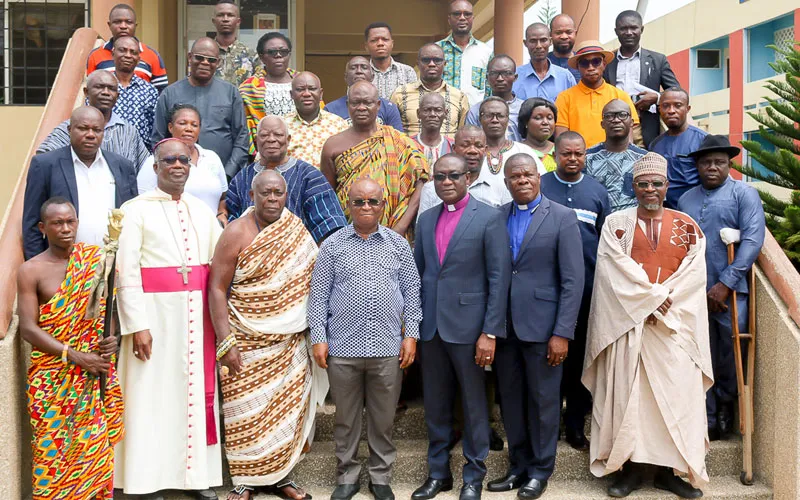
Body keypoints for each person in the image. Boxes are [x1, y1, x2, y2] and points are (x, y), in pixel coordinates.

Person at [584, 152, 711, 499]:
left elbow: (694, 276)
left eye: (657, 183)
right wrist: (649, 300)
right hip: (630, 326)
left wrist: (662, 302)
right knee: (630, 400)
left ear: (667, 186)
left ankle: (669, 473)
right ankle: (631, 471)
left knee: (676, 400)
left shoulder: (688, 226)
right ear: (633, 187)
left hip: (673, 329)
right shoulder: (616, 225)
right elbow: (612, 271)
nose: (650, 189)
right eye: (643, 184)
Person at [115, 138, 223, 499]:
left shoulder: (201, 211)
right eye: (169, 160)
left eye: (183, 160)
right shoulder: (134, 211)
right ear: (155, 167)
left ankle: (194, 478)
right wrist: (138, 325)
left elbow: (219, 265)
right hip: (155, 318)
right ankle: (148, 481)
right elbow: (126, 272)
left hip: (195, 319)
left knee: (191, 397)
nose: (177, 165)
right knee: (151, 397)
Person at [209, 170, 327, 500]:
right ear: (252, 195)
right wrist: (225, 342)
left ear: (286, 195)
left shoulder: (295, 228)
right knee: (245, 414)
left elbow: (310, 280)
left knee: (286, 414)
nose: (272, 199)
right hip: (245, 339)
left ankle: (281, 477)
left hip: (290, 342)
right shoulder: (236, 232)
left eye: (278, 193)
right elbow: (216, 288)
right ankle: (246, 481)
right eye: (266, 193)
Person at [308, 178, 422, 500]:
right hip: (342, 348)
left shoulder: (397, 244)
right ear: (349, 205)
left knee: (383, 418)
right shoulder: (333, 245)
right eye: (359, 201)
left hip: (387, 347)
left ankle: (380, 476)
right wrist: (319, 337)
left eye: (373, 201)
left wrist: (411, 335)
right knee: (345, 418)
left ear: (382, 206)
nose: (366, 207)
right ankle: (347, 476)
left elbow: (412, 293)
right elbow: (319, 296)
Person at [412, 154, 510, 500]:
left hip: (471, 330)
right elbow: (419, 276)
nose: (446, 182)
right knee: (436, 404)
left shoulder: (489, 217)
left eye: (453, 176)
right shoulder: (426, 219)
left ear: (468, 177)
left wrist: (490, 331)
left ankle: (473, 476)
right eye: (440, 177)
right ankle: (438, 474)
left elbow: (499, 278)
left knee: (473, 404)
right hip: (432, 328)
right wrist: (413, 328)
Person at [487, 153, 583, 498]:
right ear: (507, 182)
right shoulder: (497, 218)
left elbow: (573, 281)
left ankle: (541, 471)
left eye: (528, 174)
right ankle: (518, 466)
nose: (522, 180)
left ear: (539, 177)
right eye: (515, 176)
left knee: (544, 402)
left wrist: (562, 333)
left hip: (545, 329)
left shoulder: (562, 217)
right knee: (511, 401)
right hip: (506, 328)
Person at [18, 197, 124, 500]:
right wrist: (75, 356)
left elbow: (107, 309)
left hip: (92, 377)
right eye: (57, 223)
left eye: (70, 221)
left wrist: (112, 339)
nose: (66, 228)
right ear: (43, 228)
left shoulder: (96, 261)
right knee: (52, 454)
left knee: (95, 452)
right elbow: (28, 328)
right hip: (52, 380)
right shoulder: (31, 270)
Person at [677, 135, 765, 441]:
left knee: (730, 349)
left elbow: (752, 240)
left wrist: (725, 283)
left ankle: (727, 404)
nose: (712, 167)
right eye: (706, 162)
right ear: (697, 166)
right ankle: (709, 416)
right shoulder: (686, 200)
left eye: (719, 162)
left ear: (729, 165)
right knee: (701, 354)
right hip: (693, 291)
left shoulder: (745, 194)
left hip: (731, 292)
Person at [539, 132, 610, 451]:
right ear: (555, 155)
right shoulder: (541, 185)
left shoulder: (597, 191)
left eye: (578, 154)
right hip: (545, 289)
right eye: (566, 153)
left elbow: (606, 243)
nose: (572, 159)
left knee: (580, 359)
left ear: (585, 156)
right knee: (547, 359)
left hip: (586, 291)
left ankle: (575, 425)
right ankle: (549, 424)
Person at [23, 106, 138, 260]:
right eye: (83, 128)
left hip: (114, 263)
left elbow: (133, 218)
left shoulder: (122, 166)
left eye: (97, 130)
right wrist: (41, 266)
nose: (90, 135)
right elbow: (31, 224)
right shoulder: (45, 165)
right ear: (69, 130)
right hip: (64, 265)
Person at [322, 81, 429, 239]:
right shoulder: (332, 145)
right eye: (355, 103)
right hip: (348, 234)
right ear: (347, 105)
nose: (361, 108)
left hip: (394, 234)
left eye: (367, 102)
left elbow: (422, 182)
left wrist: (400, 227)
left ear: (378, 105)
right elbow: (328, 197)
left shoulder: (399, 141)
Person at [227, 115, 347, 243]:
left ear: (288, 140)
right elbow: (230, 223)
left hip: (299, 253)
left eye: (278, 135)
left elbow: (330, 224)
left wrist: (308, 252)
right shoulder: (242, 178)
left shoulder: (310, 176)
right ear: (256, 141)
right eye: (264, 135)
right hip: (249, 252)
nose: (271, 139)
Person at [153, 37, 249, 178]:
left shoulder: (231, 93)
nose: (205, 63)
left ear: (218, 63)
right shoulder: (170, 93)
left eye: (211, 60)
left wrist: (228, 173)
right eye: (199, 57)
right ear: (190, 57)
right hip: (176, 176)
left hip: (223, 176)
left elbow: (241, 137)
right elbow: (158, 138)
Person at [37, 70, 150, 168]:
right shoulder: (68, 129)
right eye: (99, 87)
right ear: (86, 92)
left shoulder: (129, 132)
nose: (106, 92)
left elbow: (146, 167)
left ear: (117, 96)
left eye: (111, 89)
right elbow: (43, 161)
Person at [138, 104, 228, 221]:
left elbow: (223, 198)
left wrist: (222, 213)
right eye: (182, 123)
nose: (189, 129)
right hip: (172, 228)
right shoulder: (157, 160)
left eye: (194, 125)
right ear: (170, 127)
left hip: (211, 229)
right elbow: (142, 200)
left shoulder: (212, 157)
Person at [604, 10, 681, 148]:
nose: (629, 32)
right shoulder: (607, 61)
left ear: (642, 29)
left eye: (633, 28)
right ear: (616, 31)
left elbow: (677, 93)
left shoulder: (658, 60)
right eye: (623, 28)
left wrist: (657, 98)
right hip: (613, 127)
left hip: (645, 128)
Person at [554, 40, 640, 149]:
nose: (590, 67)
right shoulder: (565, 98)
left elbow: (628, 139)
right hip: (578, 157)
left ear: (604, 64)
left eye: (596, 61)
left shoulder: (620, 96)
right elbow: (561, 140)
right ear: (577, 67)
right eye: (584, 63)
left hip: (613, 157)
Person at [418, 125, 512, 216]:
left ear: (486, 151)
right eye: (465, 145)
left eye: (478, 146)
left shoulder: (500, 187)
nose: (472, 151)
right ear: (454, 149)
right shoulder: (431, 189)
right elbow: (424, 224)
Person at [390, 43, 470, 138]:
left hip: (449, 147)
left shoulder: (459, 97)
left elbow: (463, 134)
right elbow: (390, 132)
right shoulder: (400, 94)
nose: (432, 64)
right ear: (418, 63)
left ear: (444, 64)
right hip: (409, 147)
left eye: (437, 60)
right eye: (426, 60)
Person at [86, 3, 168, 92]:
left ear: (135, 26)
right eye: (117, 22)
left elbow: (161, 92)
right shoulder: (95, 55)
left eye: (128, 22)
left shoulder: (152, 55)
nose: (123, 26)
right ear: (109, 25)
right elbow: (91, 90)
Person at [585, 99, 648, 212]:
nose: (616, 120)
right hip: (598, 220)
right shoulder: (587, 158)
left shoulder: (645, 159)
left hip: (634, 220)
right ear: (602, 124)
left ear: (632, 122)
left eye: (622, 115)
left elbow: (654, 201)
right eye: (609, 116)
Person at [240, 32, 298, 154]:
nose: (278, 55)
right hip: (266, 152)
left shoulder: (303, 82)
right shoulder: (249, 88)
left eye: (283, 52)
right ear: (262, 57)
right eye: (272, 52)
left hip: (302, 148)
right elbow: (245, 126)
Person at [649, 87, 708, 208]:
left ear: (687, 109)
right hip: (663, 211)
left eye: (678, 105)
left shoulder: (703, 140)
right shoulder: (655, 145)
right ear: (659, 109)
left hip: (693, 210)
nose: (671, 111)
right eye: (665, 106)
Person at [324, 56, 405, 131]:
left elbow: (397, 138)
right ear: (345, 77)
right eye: (353, 68)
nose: (359, 71)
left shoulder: (388, 108)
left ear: (372, 76)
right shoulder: (330, 109)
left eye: (364, 67)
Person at [285, 71, 349, 168]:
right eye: (300, 89)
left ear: (321, 94)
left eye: (312, 89)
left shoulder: (339, 124)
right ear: (291, 94)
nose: (306, 94)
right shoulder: (281, 126)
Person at [437, 0, 493, 106]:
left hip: (475, 114)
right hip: (443, 113)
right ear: (449, 19)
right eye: (457, 14)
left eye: (467, 14)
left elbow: (489, 88)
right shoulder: (437, 50)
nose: (462, 18)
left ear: (472, 18)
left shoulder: (486, 52)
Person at [111, 36, 159, 149]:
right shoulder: (102, 87)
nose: (128, 55)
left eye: (133, 52)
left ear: (138, 59)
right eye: (122, 50)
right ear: (113, 54)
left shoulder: (149, 91)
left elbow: (155, 129)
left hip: (141, 153)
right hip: (108, 152)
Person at [479, 97, 546, 176]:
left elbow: (542, 179)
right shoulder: (472, 152)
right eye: (489, 115)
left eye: (500, 116)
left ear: (508, 119)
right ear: (480, 118)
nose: (495, 120)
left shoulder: (523, 150)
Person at [466, 55, 525, 141]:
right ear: (487, 77)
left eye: (506, 73)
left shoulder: (524, 108)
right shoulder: (476, 111)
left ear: (515, 77)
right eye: (494, 73)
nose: (500, 78)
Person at [514, 23, 576, 103]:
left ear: (550, 41)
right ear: (525, 43)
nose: (538, 46)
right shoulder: (514, 77)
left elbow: (574, 106)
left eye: (543, 40)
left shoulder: (565, 77)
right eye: (533, 41)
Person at [364, 22, 418, 99]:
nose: (380, 43)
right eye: (374, 40)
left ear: (392, 44)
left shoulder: (408, 72)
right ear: (366, 46)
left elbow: (414, 101)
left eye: (385, 39)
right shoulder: (360, 73)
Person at [213, 0, 260, 87]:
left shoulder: (251, 56)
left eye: (230, 15)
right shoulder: (203, 54)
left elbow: (258, 88)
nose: (225, 19)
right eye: (220, 15)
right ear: (214, 21)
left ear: (238, 21)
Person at [518, 98, 558, 172]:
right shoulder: (517, 150)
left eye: (550, 118)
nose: (545, 122)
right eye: (538, 118)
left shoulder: (560, 150)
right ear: (525, 122)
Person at [414, 93, 454, 165]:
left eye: (438, 110)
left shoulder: (453, 146)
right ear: (418, 113)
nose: (432, 114)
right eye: (426, 110)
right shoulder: (407, 144)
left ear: (445, 113)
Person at [547, 14, 581, 81]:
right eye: (558, 33)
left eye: (569, 32)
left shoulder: (584, 62)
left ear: (575, 34)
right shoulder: (543, 63)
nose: (564, 37)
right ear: (550, 35)